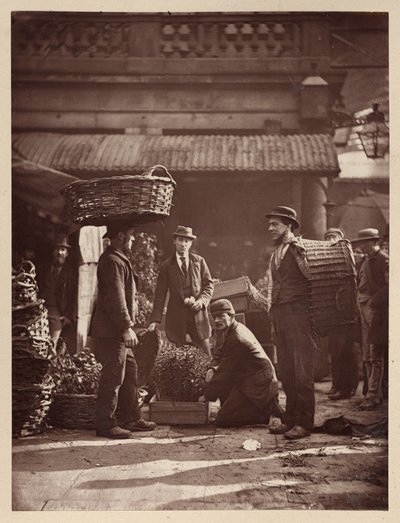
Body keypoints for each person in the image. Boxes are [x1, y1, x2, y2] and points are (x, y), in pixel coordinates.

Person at [90, 221, 156, 438]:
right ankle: (105, 424)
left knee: (130, 372)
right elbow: (116, 299)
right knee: (113, 376)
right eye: (131, 234)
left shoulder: (117, 259)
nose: (134, 239)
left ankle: (131, 418)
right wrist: (127, 327)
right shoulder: (111, 261)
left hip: (115, 329)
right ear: (120, 236)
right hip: (111, 331)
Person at [265, 206, 314, 440]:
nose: (270, 228)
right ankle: (291, 419)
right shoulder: (276, 253)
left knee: (302, 370)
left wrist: (303, 256)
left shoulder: (297, 248)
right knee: (286, 370)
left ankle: (305, 423)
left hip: (299, 316)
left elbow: (312, 277)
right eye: (270, 224)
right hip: (281, 316)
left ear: (289, 226)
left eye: (275, 224)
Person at [204, 299, 283, 427]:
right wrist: (212, 368)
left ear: (231, 316)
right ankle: (256, 407)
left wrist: (207, 395)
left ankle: (265, 412)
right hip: (250, 378)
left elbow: (225, 371)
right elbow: (219, 352)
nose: (217, 320)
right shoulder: (232, 328)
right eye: (214, 317)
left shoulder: (236, 338)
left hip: (259, 384)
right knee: (221, 382)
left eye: (221, 316)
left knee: (222, 420)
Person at [149, 226, 214, 356]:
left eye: (187, 241)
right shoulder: (167, 266)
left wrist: (201, 301)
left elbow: (209, 285)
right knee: (179, 357)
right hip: (177, 317)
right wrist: (155, 319)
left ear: (191, 243)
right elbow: (160, 294)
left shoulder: (199, 262)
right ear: (175, 241)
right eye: (180, 240)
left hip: (198, 316)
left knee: (206, 355)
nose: (183, 244)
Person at [352, 228, 389, 410]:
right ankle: (372, 394)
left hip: (375, 311)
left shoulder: (383, 260)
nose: (360, 246)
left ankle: (373, 395)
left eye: (363, 243)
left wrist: (374, 301)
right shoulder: (365, 260)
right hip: (363, 308)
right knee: (367, 353)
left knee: (375, 354)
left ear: (371, 242)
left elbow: (390, 287)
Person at [324, 228, 358, 400]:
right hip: (333, 313)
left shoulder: (349, 256)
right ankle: (337, 384)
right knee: (334, 350)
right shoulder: (327, 260)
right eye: (328, 238)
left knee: (347, 351)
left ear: (341, 238)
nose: (331, 240)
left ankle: (349, 387)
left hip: (347, 312)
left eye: (334, 237)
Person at [38, 233, 77, 348]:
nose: (59, 252)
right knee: (38, 343)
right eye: (57, 249)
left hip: (58, 314)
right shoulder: (43, 269)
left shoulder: (70, 274)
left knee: (51, 346)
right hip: (41, 311)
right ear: (52, 252)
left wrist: (69, 316)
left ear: (67, 253)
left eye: (63, 249)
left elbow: (74, 296)